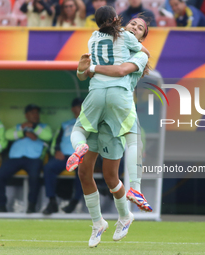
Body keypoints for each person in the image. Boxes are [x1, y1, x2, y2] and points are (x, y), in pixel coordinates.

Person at [69, 8, 151, 246]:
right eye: (133, 24)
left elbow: (119, 71)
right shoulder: (108, 41)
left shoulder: (139, 55)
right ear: (122, 24)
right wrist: (82, 68)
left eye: (140, 28)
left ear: (142, 38)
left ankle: (125, 215)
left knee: (110, 176)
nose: (134, 28)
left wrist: (91, 69)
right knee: (84, 172)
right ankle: (98, 223)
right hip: (99, 109)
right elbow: (84, 75)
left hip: (114, 116)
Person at [0, 104, 52, 213]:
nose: (35, 115)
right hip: (15, 158)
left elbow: (48, 136)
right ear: (26, 115)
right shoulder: (19, 126)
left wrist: (34, 127)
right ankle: (2, 205)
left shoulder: (44, 127)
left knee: (34, 176)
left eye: (36, 113)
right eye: (32, 113)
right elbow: (8, 135)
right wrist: (24, 132)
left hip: (34, 158)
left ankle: (31, 206)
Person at [42, 98, 84, 215]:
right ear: (73, 109)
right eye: (78, 106)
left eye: (83, 105)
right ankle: (52, 202)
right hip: (64, 157)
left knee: (83, 170)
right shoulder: (65, 124)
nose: (81, 108)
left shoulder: (91, 124)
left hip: (81, 157)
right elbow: (55, 141)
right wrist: (56, 151)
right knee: (48, 167)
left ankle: (74, 201)